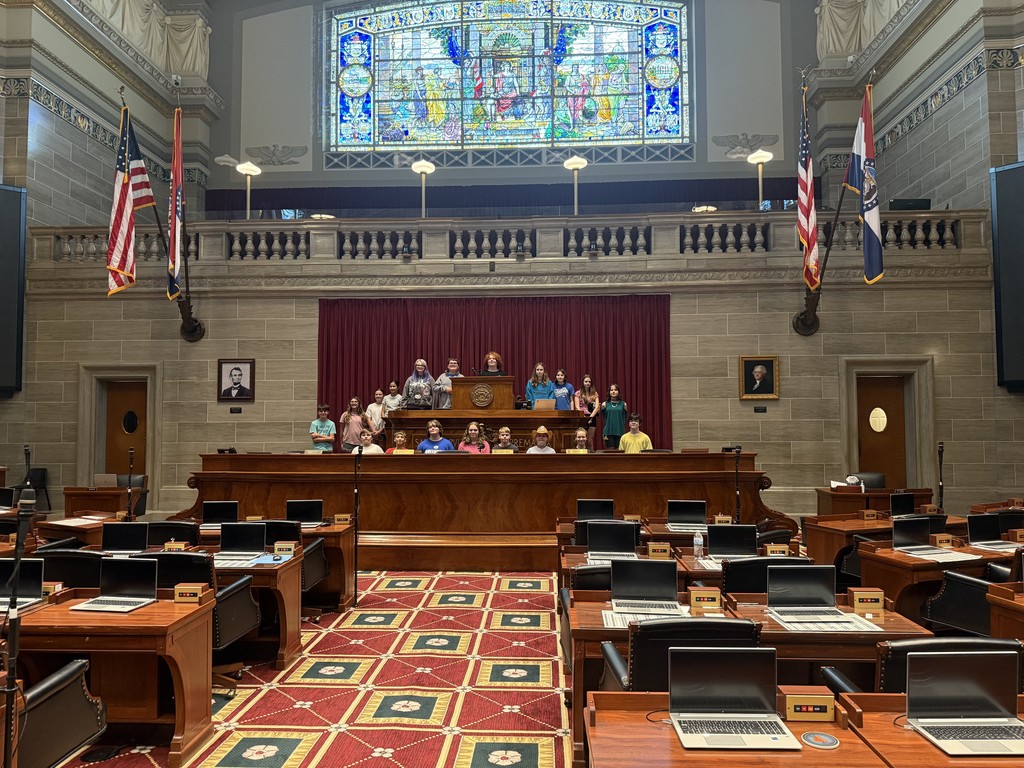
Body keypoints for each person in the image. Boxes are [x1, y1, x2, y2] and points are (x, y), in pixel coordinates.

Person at [601, 383, 627, 449]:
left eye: (615, 390)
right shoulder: (604, 404)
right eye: (611, 390)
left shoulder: (624, 404)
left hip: (620, 431)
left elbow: (624, 418)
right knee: (610, 453)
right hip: (608, 432)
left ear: (618, 391)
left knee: (619, 453)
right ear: (609, 392)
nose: (613, 391)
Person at [577, 373, 599, 446]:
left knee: (590, 439)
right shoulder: (578, 393)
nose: (587, 383)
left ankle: (590, 454)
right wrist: (584, 418)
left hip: (592, 417)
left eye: (589, 382)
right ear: (583, 382)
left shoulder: (594, 394)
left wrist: (590, 418)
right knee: (581, 439)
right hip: (582, 417)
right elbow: (577, 407)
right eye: (586, 381)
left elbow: (597, 407)